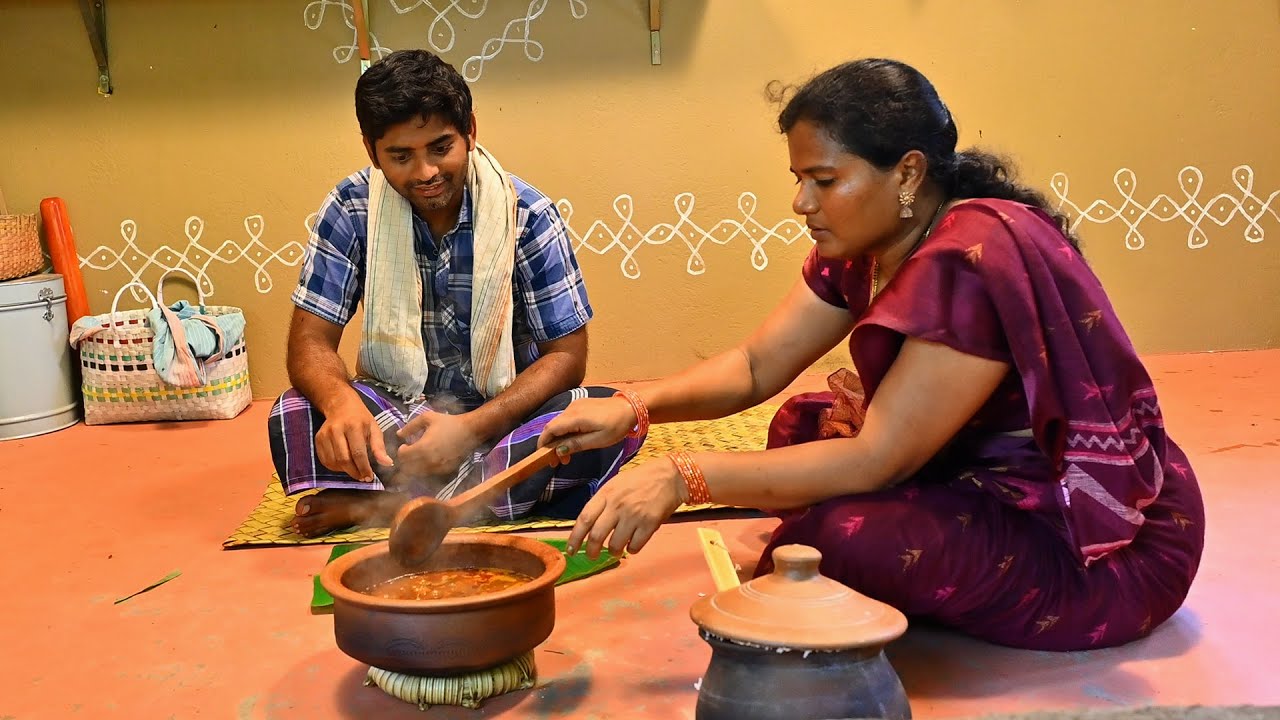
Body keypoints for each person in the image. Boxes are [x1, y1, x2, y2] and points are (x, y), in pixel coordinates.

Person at [539, 58, 1204, 651]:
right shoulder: (866, 249)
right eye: (800, 179)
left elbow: (879, 457)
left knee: (841, 538)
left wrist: (681, 477)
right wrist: (633, 407)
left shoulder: (970, 259)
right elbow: (755, 365)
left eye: (823, 180)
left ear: (908, 172)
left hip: (1087, 544)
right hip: (968, 482)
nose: (800, 203)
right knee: (799, 424)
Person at [269, 49, 644, 537]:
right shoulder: (351, 208)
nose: (425, 172)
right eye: (401, 156)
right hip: (401, 417)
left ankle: (386, 504)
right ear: (371, 150)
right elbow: (311, 343)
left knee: (596, 417)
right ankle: (479, 498)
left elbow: (568, 357)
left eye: (440, 147)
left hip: (504, 418)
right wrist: (341, 404)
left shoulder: (526, 214)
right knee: (294, 412)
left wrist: (469, 431)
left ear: (470, 130)